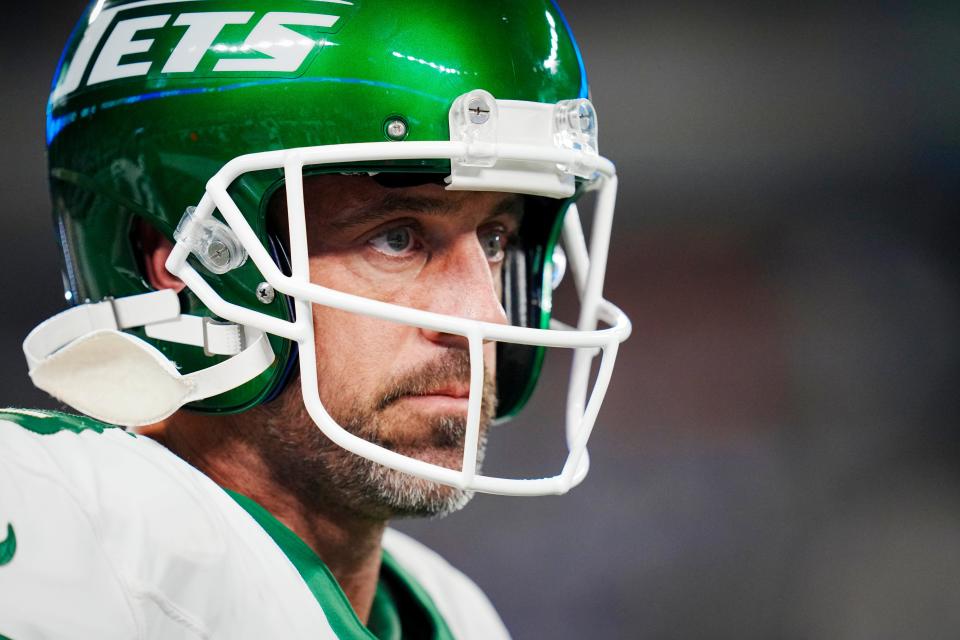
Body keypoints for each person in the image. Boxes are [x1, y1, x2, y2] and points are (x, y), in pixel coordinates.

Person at [0, 1, 631, 637]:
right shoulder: (53, 525)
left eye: (493, 239)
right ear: (179, 260)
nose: (481, 315)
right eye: (397, 239)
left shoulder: (452, 613)